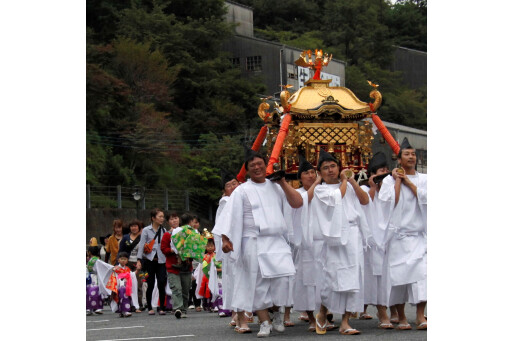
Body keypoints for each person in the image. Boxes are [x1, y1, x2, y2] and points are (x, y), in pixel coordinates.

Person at [219, 150, 303, 337]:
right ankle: (264, 322)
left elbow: (297, 203)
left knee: (282, 281)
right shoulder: (241, 191)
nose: (257, 168)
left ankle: (278, 314)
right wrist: (226, 239)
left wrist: (282, 181)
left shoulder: (276, 186)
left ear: (266, 165)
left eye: (259, 164)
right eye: (252, 166)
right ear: (247, 170)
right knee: (257, 284)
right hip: (253, 241)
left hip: (277, 241)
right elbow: (229, 217)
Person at [309, 149, 373, 335]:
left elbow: (365, 200)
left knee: (352, 279)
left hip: (353, 235)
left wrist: (352, 179)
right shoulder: (320, 190)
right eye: (326, 168)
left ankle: (345, 322)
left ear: (339, 167)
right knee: (331, 277)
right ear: (320, 172)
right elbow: (339, 196)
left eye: (333, 166)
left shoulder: (349, 185)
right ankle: (323, 311)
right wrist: (345, 181)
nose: (330, 170)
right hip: (333, 239)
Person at [379, 138, 427, 330]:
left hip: (418, 235)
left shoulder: (425, 179)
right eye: (406, 154)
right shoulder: (389, 180)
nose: (411, 157)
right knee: (399, 278)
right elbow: (390, 202)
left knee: (422, 275)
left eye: (413, 154)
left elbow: (426, 199)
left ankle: (420, 315)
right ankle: (401, 316)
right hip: (398, 237)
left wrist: (408, 181)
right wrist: (398, 181)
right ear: (399, 159)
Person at [287, 155, 323, 332]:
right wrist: (316, 184)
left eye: (312, 172)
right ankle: (310, 317)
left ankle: (323, 315)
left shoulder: (323, 191)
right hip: (305, 245)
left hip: (323, 243)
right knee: (307, 282)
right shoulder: (298, 193)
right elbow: (303, 202)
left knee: (324, 280)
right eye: (306, 173)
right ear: (300, 177)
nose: (310, 175)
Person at [360, 152, 394, 329]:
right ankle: (381, 311)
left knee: (389, 277)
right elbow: (366, 204)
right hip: (371, 241)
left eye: (387, 170)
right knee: (373, 278)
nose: (385, 173)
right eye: (382, 170)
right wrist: (373, 186)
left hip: (389, 238)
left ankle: (392, 310)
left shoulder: (391, 188)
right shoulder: (365, 189)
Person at [211, 171, 239, 323]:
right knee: (233, 279)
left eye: (235, 183)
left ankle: (247, 311)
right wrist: (221, 251)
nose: (233, 187)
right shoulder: (225, 203)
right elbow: (219, 230)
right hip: (231, 248)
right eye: (229, 186)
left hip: (244, 245)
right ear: (224, 190)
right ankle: (235, 312)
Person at [161, 212, 194, 319]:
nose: (174, 221)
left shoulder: (187, 233)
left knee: (185, 289)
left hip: (186, 265)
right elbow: (163, 249)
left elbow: (193, 247)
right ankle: (178, 308)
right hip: (173, 266)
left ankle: (184, 308)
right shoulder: (167, 234)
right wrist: (173, 250)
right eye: (171, 219)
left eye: (176, 218)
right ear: (168, 222)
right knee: (176, 288)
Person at [136, 208, 168, 315]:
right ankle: (150, 306)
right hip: (149, 260)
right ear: (153, 218)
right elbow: (141, 245)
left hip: (161, 260)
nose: (162, 218)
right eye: (159, 216)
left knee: (161, 282)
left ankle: (162, 307)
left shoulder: (164, 231)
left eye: (163, 216)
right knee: (150, 283)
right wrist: (139, 259)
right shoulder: (146, 230)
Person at [119, 219, 144, 312]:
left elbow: (144, 251)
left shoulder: (142, 237)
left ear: (139, 227)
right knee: (127, 284)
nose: (134, 228)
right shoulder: (125, 237)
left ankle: (139, 304)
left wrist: (140, 262)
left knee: (137, 284)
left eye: (136, 226)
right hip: (127, 263)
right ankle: (129, 304)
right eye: (132, 226)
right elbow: (121, 250)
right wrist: (119, 263)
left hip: (137, 263)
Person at [110, 252, 134, 317]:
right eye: (122, 259)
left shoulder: (127, 269)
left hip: (126, 285)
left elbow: (132, 275)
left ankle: (124, 311)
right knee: (122, 296)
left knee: (126, 297)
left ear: (127, 260)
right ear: (118, 260)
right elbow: (113, 274)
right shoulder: (116, 268)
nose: (123, 261)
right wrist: (113, 269)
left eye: (125, 259)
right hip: (119, 285)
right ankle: (124, 311)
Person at [86, 240, 104, 315]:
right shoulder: (97, 260)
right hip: (95, 276)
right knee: (96, 292)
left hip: (92, 277)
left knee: (90, 292)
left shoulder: (93, 260)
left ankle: (91, 308)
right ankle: (96, 308)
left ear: (89, 252)